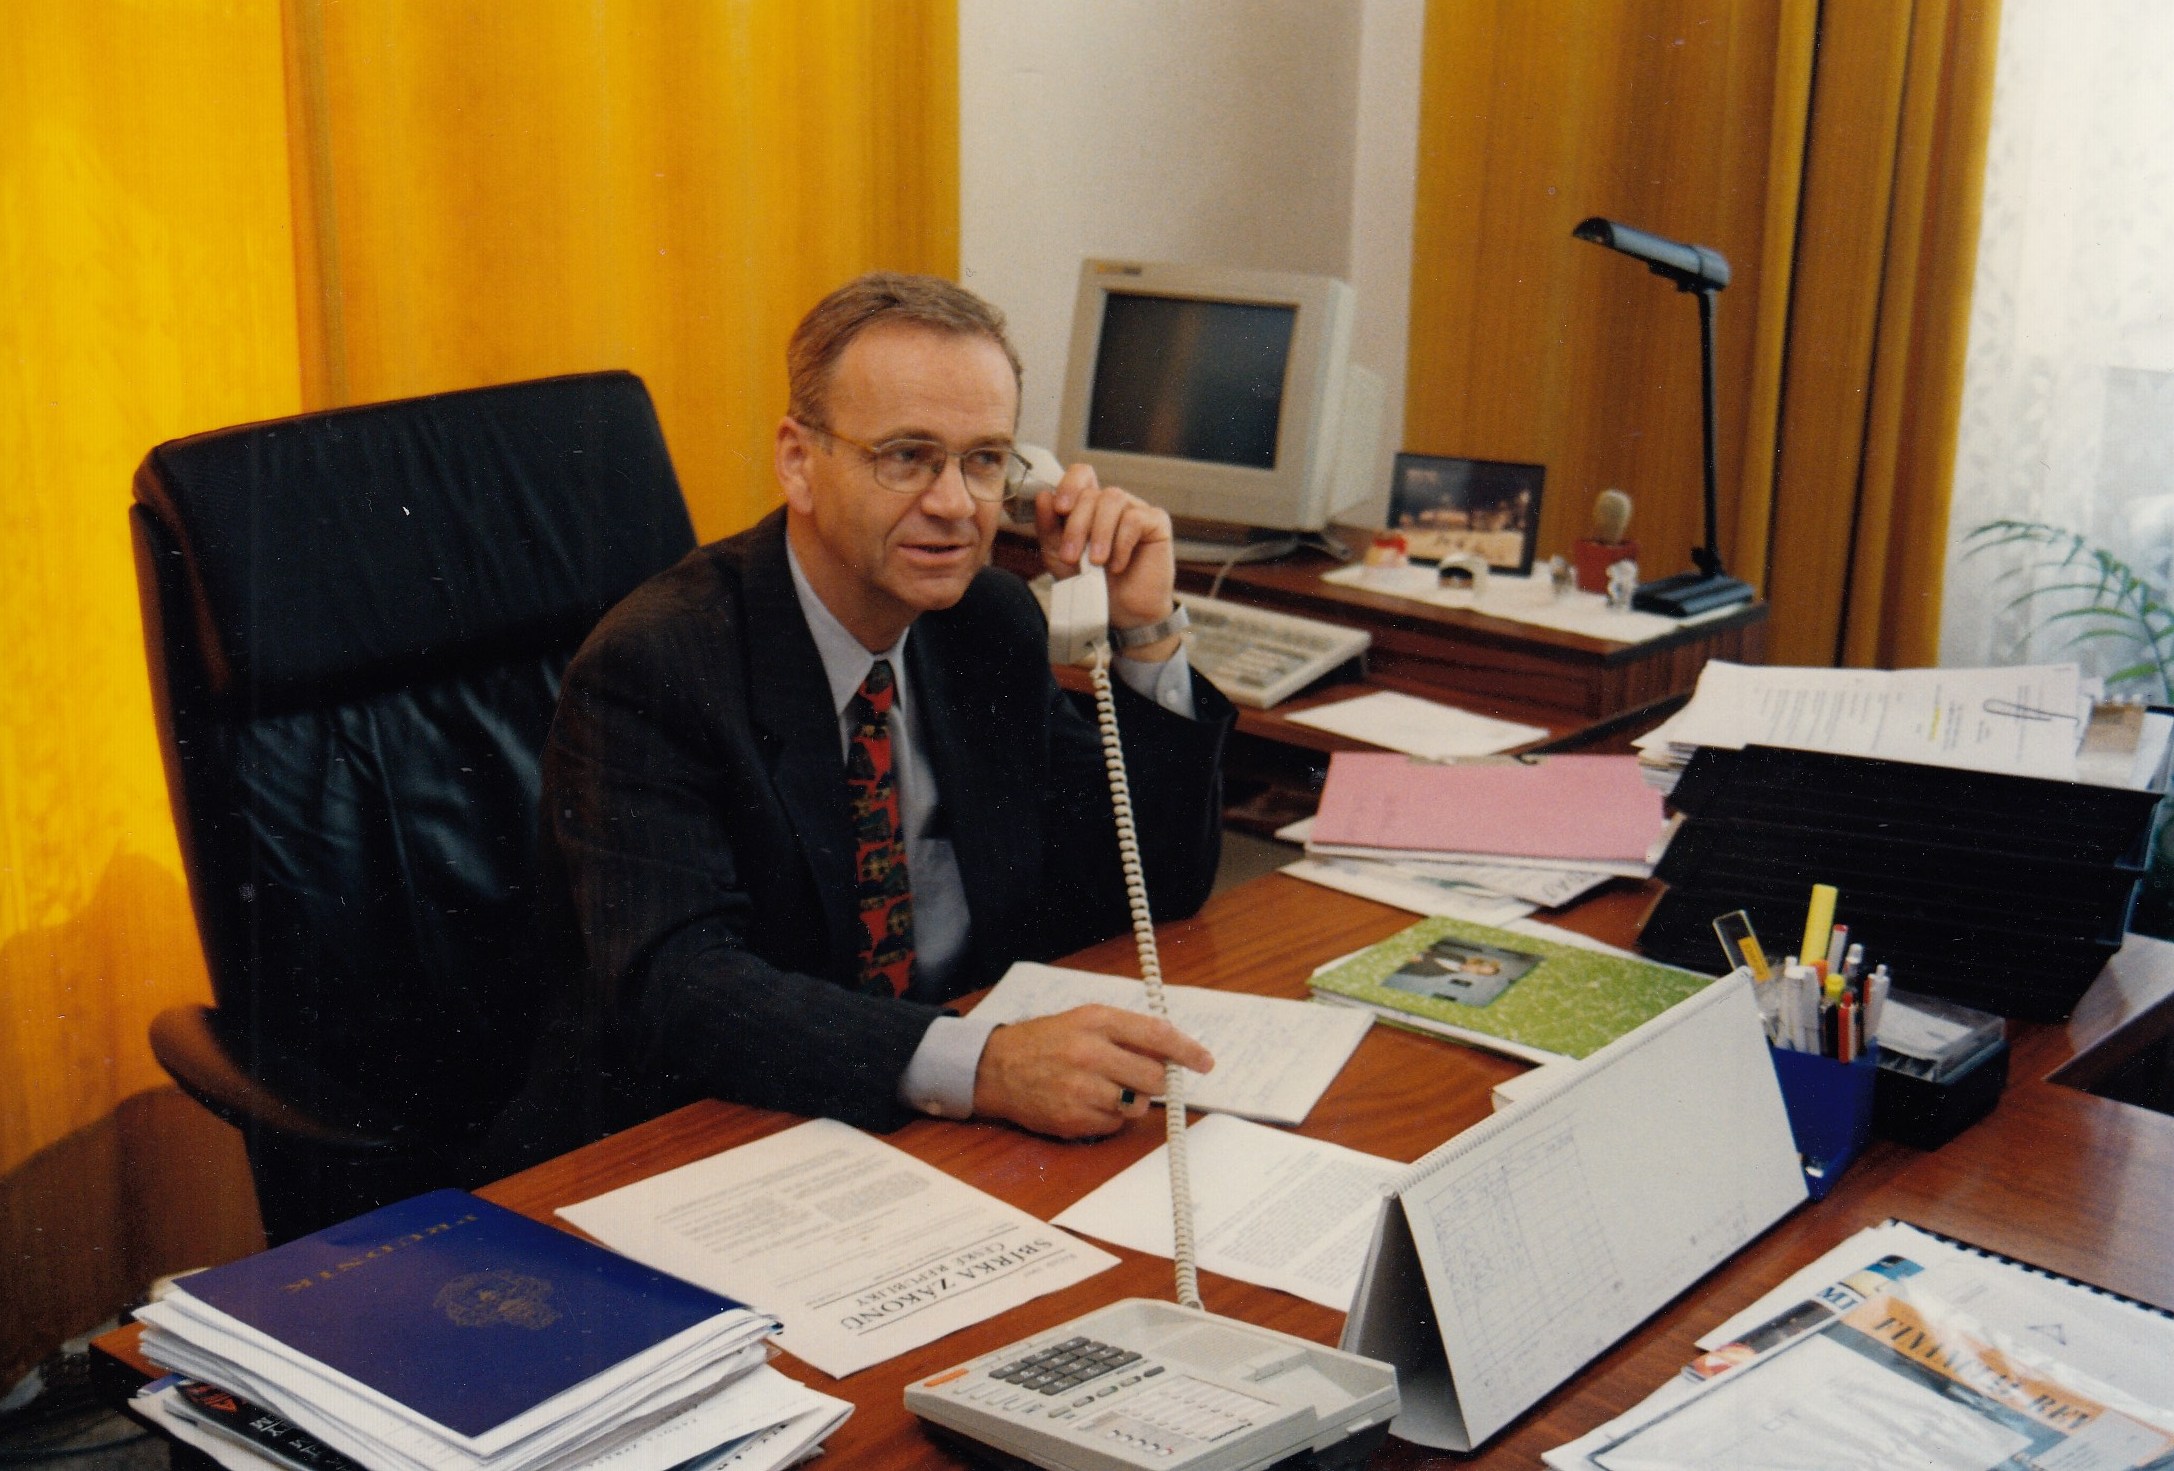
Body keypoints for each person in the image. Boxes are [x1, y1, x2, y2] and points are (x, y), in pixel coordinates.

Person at [485, 273, 1231, 1167]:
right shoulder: (657, 664)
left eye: (984, 460)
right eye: (907, 456)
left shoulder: (988, 621)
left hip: (943, 1126)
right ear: (798, 461)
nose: (953, 504)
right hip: (712, 1138)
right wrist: (984, 1066)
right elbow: (680, 987)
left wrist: (1145, 631)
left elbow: (1145, 891)